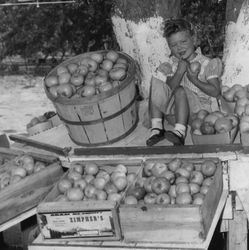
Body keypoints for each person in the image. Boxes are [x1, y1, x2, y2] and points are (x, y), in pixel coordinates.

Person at [146, 19, 223, 146]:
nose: (179, 47)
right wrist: (179, 72)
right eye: (174, 45)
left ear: (194, 39)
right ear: (169, 47)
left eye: (183, 41)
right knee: (156, 81)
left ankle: (180, 133)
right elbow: (168, 90)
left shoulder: (207, 63)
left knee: (180, 90)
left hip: (199, 115)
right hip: (177, 115)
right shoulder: (172, 64)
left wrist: (195, 80)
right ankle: (157, 128)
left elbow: (215, 92)